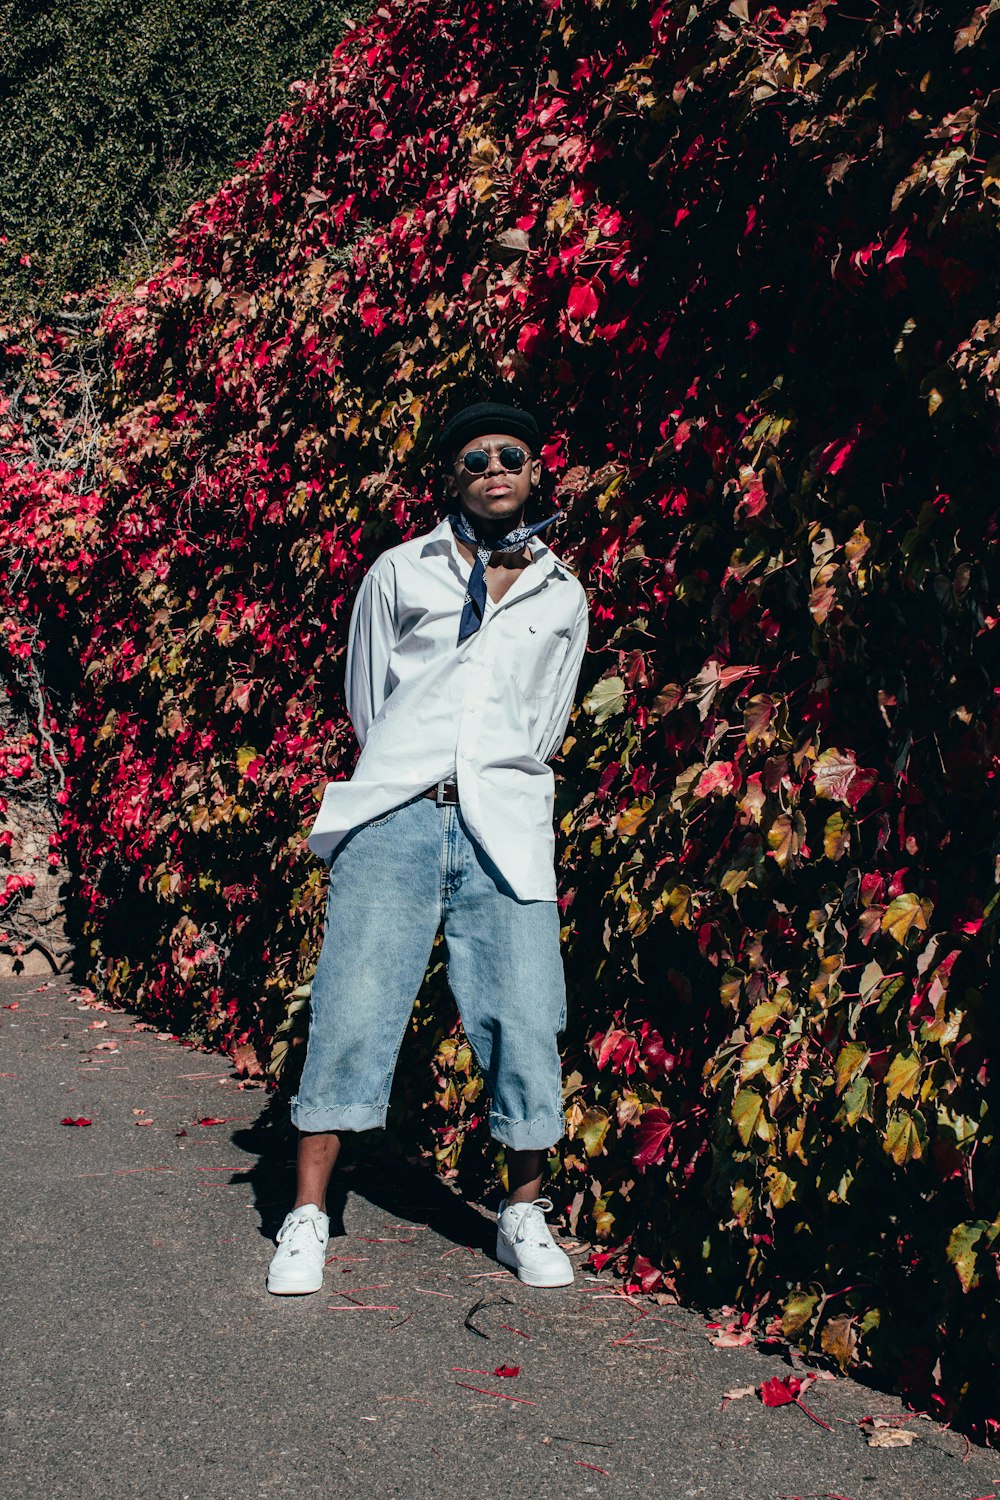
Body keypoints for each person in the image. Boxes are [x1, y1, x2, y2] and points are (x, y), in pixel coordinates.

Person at [266, 399, 590, 1296]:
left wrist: (488, 777)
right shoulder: (400, 572)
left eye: (512, 455)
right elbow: (371, 701)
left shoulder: (564, 594)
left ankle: (521, 1215)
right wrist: (412, 780)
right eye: (475, 456)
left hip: (505, 824)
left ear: (534, 473)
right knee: (352, 1006)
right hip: (399, 815)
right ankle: (306, 1217)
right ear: (452, 475)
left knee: (526, 1015)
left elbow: (546, 716)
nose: (494, 467)